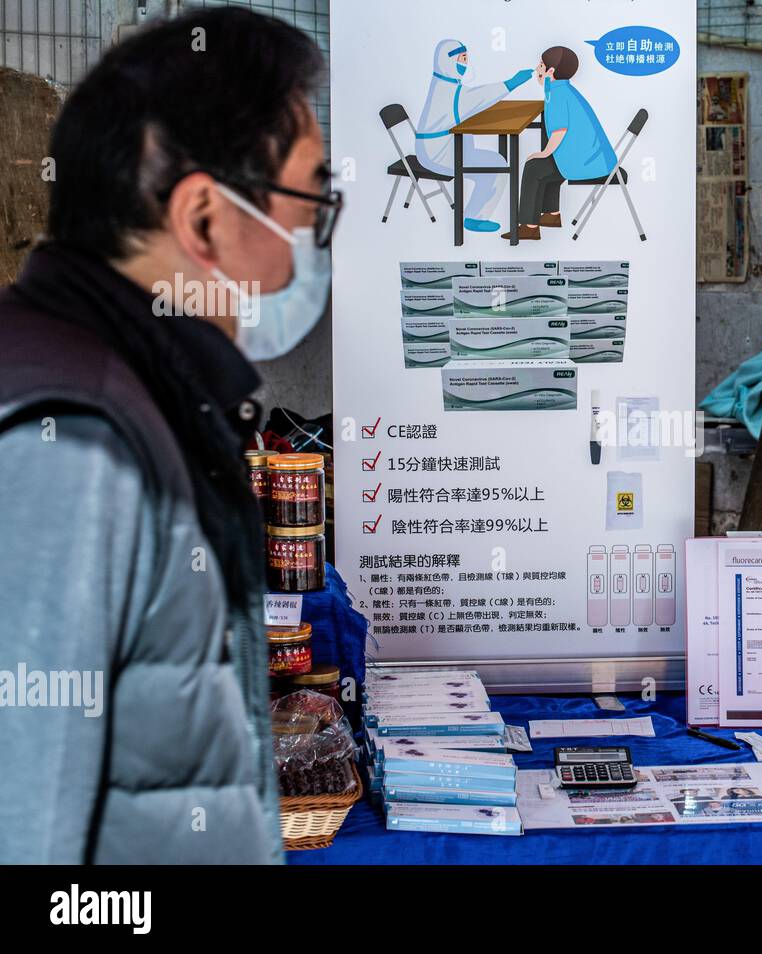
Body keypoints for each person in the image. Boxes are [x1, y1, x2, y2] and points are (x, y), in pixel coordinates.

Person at [0, 8, 340, 863]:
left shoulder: (143, 402)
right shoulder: (71, 447)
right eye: (309, 204)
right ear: (202, 219)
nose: (313, 245)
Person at [415, 38, 534, 233]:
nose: (465, 63)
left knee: (496, 161)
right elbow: (479, 97)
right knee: (498, 167)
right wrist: (511, 83)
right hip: (439, 153)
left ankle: (473, 215)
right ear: (448, 60)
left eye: (466, 58)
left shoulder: (445, 83)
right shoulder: (450, 91)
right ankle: (474, 218)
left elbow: (473, 101)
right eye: (462, 58)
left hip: (444, 146)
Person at [502, 45, 616, 241]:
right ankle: (551, 215)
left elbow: (560, 131)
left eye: (541, 65)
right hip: (595, 157)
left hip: (586, 162)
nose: (537, 69)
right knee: (547, 165)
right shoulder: (561, 89)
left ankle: (528, 227)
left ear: (551, 72)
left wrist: (543, 153)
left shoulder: (558, 94)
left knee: (533, 167)